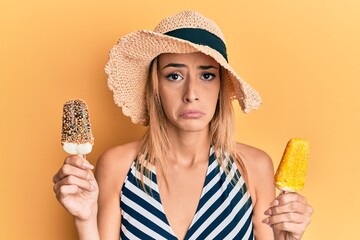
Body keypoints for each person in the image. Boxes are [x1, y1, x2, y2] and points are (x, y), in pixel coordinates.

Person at [53, 10, 313, 240]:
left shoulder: (254, 168)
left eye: (207, 75)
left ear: (221, 87)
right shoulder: (118, 166)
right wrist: (84, 220)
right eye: (174, 76)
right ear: (156, 88)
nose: (191, 93)